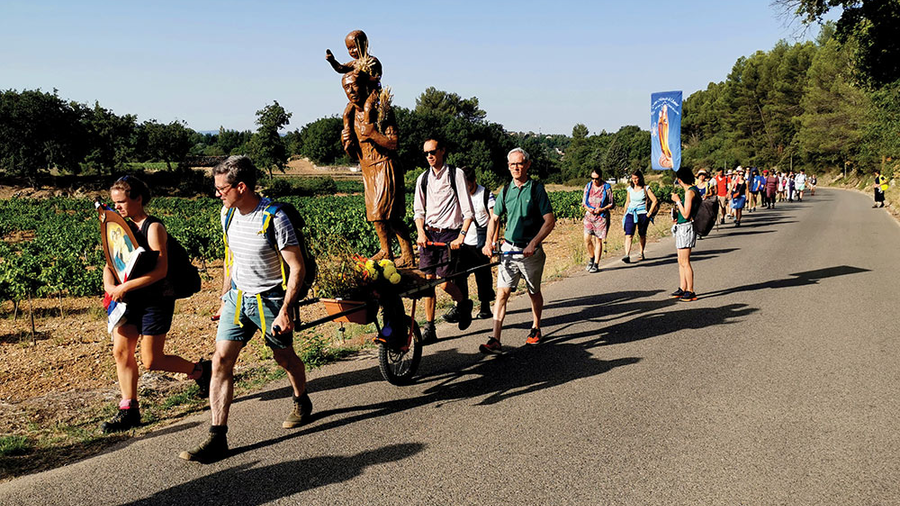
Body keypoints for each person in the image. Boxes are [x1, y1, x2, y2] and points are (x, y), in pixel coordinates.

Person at [180, 156, 310, 463]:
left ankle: (301, 399)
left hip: (270, 300)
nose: (217, 194)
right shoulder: (227, 213)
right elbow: (232, 258)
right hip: (238, 299)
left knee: (284, 357)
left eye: (221, 188)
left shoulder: (274, 218)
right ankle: (217, 436)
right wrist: (225, 294)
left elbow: (296, 267)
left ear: (241, 186)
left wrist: (286, 310)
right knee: (221, 359)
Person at [100, 176, 211, 433]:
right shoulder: (119, 227)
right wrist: (110, 287)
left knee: (152, 360)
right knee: (121, 352)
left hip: (156, 300)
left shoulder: (153, 228)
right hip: (128, 301)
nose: (117, 207)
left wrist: (124, 287)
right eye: (114, 202)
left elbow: (161, 271)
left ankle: (199, 370)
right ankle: (129, 409)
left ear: (138, 199)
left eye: (122, 201)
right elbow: (109, 263)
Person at [479, 148, 555, 354]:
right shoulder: (505, 190)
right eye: (512, 164)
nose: (516, 167)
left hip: (531, 253)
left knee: (533, 291)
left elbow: (549, 221)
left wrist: (534, 243)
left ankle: (536, 327)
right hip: (509, 250)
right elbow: (494, 218)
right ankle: (495, 338)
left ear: (528, 165)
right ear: (508, 166)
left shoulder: (536, 189)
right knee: (502, 293)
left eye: (520, 163)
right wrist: (488, 243)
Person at [340, 70, 414, 266]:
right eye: (346, 87)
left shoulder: (382, 111)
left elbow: (394, 143)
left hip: (384, 165)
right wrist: (348, 146)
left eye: (354, 85)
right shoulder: (351, 116)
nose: (351, 90)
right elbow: (356, 153)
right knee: (376, 216)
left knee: (387, 213)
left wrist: (373, 133)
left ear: (364, 85)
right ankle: (386, 251)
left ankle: (406, 255)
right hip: (368, 169)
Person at [413, 138, 476, 342]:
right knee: (427, 282)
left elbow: (468, 211)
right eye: (426, 153)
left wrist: (461, 236)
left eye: (432, 151)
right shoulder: (423, 179)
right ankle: (430, 327)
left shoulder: (455, 174)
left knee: (443, 282)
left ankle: (463, 303)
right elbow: (418, 211)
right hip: (430, 234)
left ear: (442, 151)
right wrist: (421, 232)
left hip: (450, 234)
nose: (429, 156)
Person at [456, 166, 496, 320]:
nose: (466, 189)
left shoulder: (485, 194)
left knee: (483, 275)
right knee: (460, 275)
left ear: (474, 181)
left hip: (481, 238)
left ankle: (485, 306)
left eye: (469, 185)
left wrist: (492, 241)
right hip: (464, 241)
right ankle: (463, 305)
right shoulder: (459, 194)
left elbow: (494, 218)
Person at [670, 168, 701, 302]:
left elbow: (686, 214)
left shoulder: (690, 192)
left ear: (680, 180)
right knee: (680, 261)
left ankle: (691, 290)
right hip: (682, 226)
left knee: (685, 261)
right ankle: (683, 287)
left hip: (686, 228)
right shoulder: (692, 190)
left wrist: (677, 201)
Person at [622, 169, 658, 263]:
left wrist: (649, 213)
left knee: (642, 234)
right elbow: (627, 202)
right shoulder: (630, 189)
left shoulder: (646, 188)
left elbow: (654, 200)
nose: (634, 180)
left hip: (642, 213)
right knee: (628, 234)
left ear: (640, 178)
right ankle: (627, 255)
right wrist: (624, 214)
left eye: (636, 178)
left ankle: (641, 252)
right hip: (631, 213)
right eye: (633, 178)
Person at [582, 169, 614, 273]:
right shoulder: (588, 186)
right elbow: (584, 202)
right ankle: (591, 257)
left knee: (598, 240)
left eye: (596, 178)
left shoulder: (606, 187)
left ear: (600, 177)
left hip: (601, 217)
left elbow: (611, 203)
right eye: (592, 178)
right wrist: (588, 208)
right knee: (587, 239)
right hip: (589, 216)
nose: (594, 181)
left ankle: (596, 263)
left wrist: (602, 209)